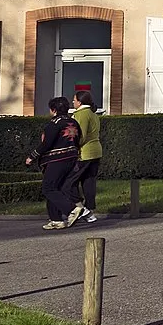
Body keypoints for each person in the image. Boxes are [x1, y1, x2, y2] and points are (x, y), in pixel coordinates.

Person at [23, 96, 85, 230]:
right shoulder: (73, 122)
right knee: (56, 188)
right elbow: (79, 138)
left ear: (54, 110)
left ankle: (71, 209)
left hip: (56, 159)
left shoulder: (54, 123)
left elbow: (46, 143)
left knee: (48, 188)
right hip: (71, 158)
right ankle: (56, 219)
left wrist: (32, 156)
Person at [71, 88, 103, 224]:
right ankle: (90, 211)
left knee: (70, 181)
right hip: (96, 151)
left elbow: (81, 135)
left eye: (74, 99)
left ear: (79, 101)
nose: (72, 101)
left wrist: (73, 147)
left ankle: (80, 208)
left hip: (84, 153)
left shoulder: (81, 114)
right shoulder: (93, 114)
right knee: (89, 182)